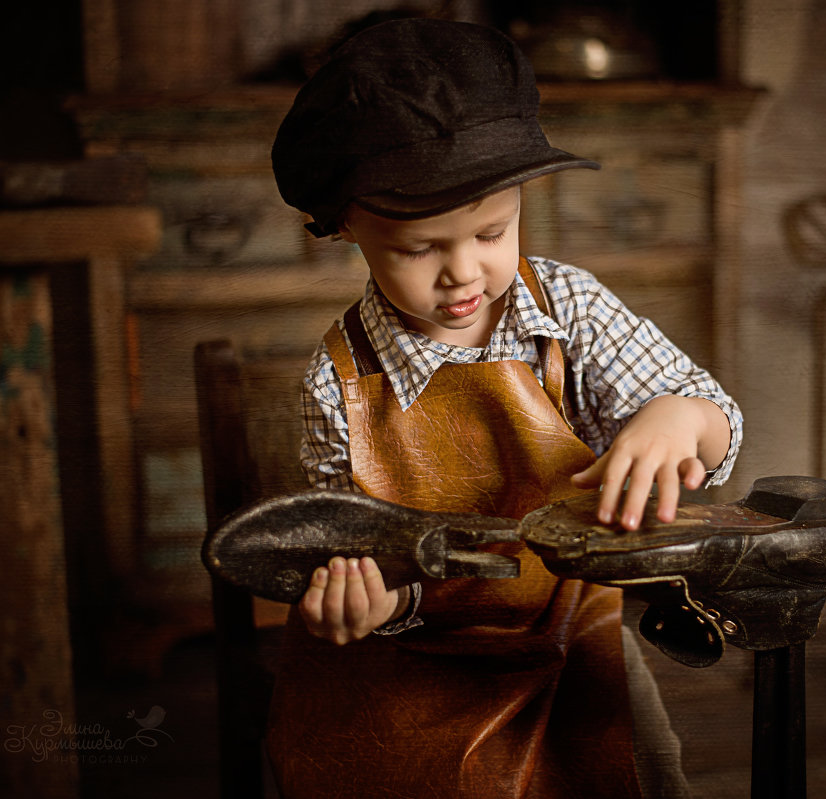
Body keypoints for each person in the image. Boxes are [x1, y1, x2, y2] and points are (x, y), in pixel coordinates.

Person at [265, 17, 743, 799]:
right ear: (349, 225)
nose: (463, 273)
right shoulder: (336, 379)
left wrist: (678, 418)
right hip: (414, 658)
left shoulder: (571, 310)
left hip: (570, 627)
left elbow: (715, 418)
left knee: (643, 773)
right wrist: (371, 599)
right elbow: (356, 549)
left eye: (492, 232)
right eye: (419, 249)